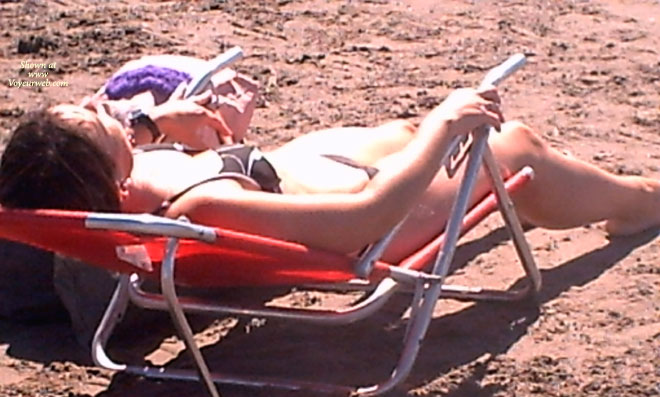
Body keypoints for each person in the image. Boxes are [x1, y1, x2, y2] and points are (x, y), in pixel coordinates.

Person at [1, 85, 659, 264]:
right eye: (94, 121)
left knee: (442, 132)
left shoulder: (129, 186)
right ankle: (641, 201)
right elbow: (361, 221)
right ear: (101, 171)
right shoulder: (200, 211)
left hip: (341, 170)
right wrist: (442, 129)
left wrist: (150, 125)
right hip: (384, 218)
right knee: (512, 147)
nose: (99, 106)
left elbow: (116, 146)